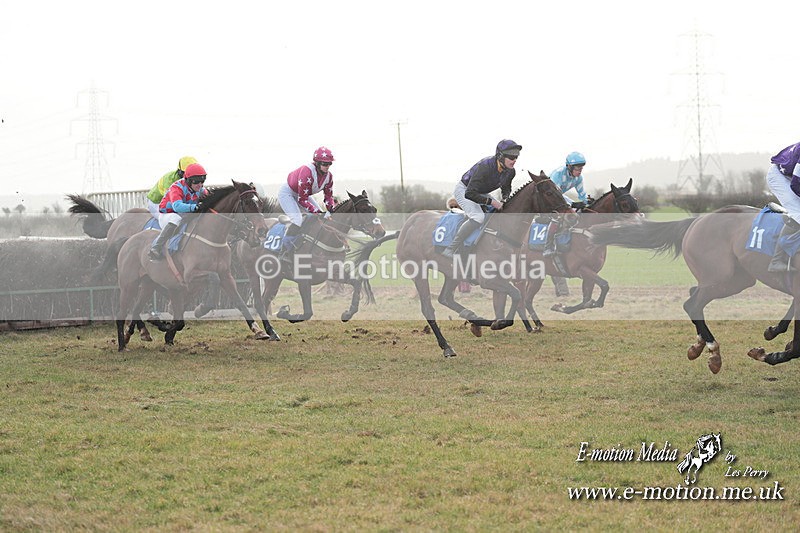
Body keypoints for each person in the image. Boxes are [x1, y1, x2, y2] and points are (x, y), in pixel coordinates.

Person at [441, 139, 521, 259]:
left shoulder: (510, 172)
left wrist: (505, 199)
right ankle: (451, 248)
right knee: (478, 217)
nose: (514, 160)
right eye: (511, 156)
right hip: (465, 190)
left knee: (498, 212)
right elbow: (470, 193)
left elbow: (506, 188)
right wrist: (492, 202)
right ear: (500, 156)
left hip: (480, 192)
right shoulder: (485, 166)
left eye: (516, 156)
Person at [276, 147, 337, 262]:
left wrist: (330, 210)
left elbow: (328, 196)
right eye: (325, 163)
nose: (327, 166)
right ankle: (284, 251)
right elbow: (302, 200)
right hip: (288, 193)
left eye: (329, 164)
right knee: (297, 219)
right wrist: (317, 212)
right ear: (317, 163)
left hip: (303, 194)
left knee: (322, 217)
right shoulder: (307, 172)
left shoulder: (329, 177)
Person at [149, 163, 208, 260]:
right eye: (197, 182)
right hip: (168, 214)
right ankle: (156, 247)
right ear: (189, 181)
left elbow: (208, 196)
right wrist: (195, 207)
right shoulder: (176, 187)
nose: (200, 185)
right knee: (176, 218)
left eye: (202, 181)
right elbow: (177, 206)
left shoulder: (200, 189)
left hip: (184, 215)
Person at [543, 151, 588, 257]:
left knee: (579, 211)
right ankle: (547, 246)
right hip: (548, 199)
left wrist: (587, 202)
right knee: (558, 217)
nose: (579, 171)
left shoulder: (579, 178)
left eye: (581, 168)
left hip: (559, 199)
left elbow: (582, 195)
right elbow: (556, 196)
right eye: (577, 169)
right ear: (569, 167)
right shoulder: (558, 174)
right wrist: (573, 204)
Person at [766, 142, 800, 272]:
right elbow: (796, 185)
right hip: (780, 177)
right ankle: (776, 261)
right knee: (798, 213)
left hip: (792, 176)